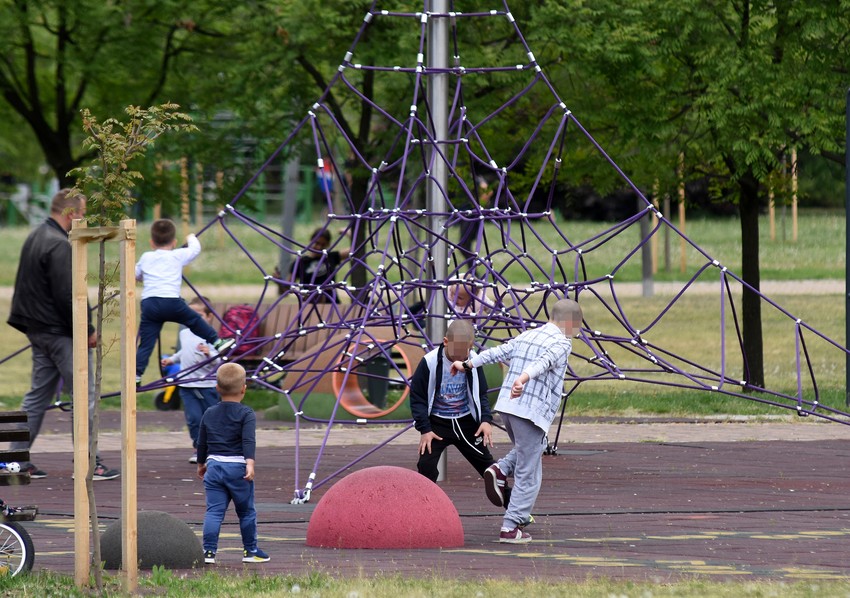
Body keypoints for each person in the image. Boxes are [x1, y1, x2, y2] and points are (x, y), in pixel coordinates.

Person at [7, 188, 120, 480]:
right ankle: (89, 463)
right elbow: (68, 296)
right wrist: (88, 330)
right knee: (86, 395)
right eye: (81, 213)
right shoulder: (58, 244)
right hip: (59, 332)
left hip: (37, 328)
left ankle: (13, 461)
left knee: (37, 395)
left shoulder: (36, 235)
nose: (82, 219)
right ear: (70, 212)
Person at [450, 298, 583, 544]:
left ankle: (500, 469)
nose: (578, 332)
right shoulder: (562, 342)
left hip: (507, 408)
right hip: (530, 410)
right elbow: (544, 363)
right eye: (577, 326)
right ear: (569, 323)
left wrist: (468, 363)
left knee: (530, 448)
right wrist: (522, 379)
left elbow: (498, 352)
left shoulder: (527, 335)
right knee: (529, 471)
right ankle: (511, 526)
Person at [410, 319, 511, 507]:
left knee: (488, 467)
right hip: (437, 424)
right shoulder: (430, 362)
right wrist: (424, 429)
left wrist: (485, 420)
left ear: (471, 347)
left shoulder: (473, 360)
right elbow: (417, 397)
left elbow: (481, 393)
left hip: (466, 423)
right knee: (426, 466)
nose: (459, 359)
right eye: (455, 353)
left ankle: (515, 510)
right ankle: (424, 508)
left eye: (463, 354)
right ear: (445, 342)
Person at [135, 219, 233, 385]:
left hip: (150, 304)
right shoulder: (177, 255)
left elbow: (136, 275)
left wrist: (142, 276)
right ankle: (216, 341)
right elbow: (195, 249)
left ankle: (136, 375)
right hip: (171, 302)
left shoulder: (146, 257)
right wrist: (191, 237)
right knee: (194, 320)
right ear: (174, 242)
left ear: (152, 243)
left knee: (147, 342)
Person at [197, 362, 270, 565]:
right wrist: (250, 463)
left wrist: (201, 464)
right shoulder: (246, 414)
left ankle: (208, 552)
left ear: (217, 388)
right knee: (246, 511)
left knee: (214, 511)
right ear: (244, 389)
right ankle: (250, 550)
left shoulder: (209, 413)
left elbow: (201, 442)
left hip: (214, 467)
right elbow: (248, 440)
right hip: (238, 468)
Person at [160, 296, 222, 465]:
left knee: (210, 418)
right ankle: (198, 448)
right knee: (194, 418)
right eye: (191, 314)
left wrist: (209, 354)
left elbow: (220, 360)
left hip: (207, 384)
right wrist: (172, 359)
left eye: (199, 315)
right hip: (187, 383)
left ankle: (214, 448)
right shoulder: (184, 333)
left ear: (209, 317)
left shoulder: (212, 336)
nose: (194, 319)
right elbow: (184, 352)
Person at [289, 227, 351, 304]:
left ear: (328, 245)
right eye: (317, 243)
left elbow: (355, 250)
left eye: (323, 245)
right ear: (311, 241)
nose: (319, 247)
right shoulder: (300, 262)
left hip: (331, 304)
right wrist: (279, 282)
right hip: (309, 305)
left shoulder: (330, 257)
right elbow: (288, 288)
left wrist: (348, 233)